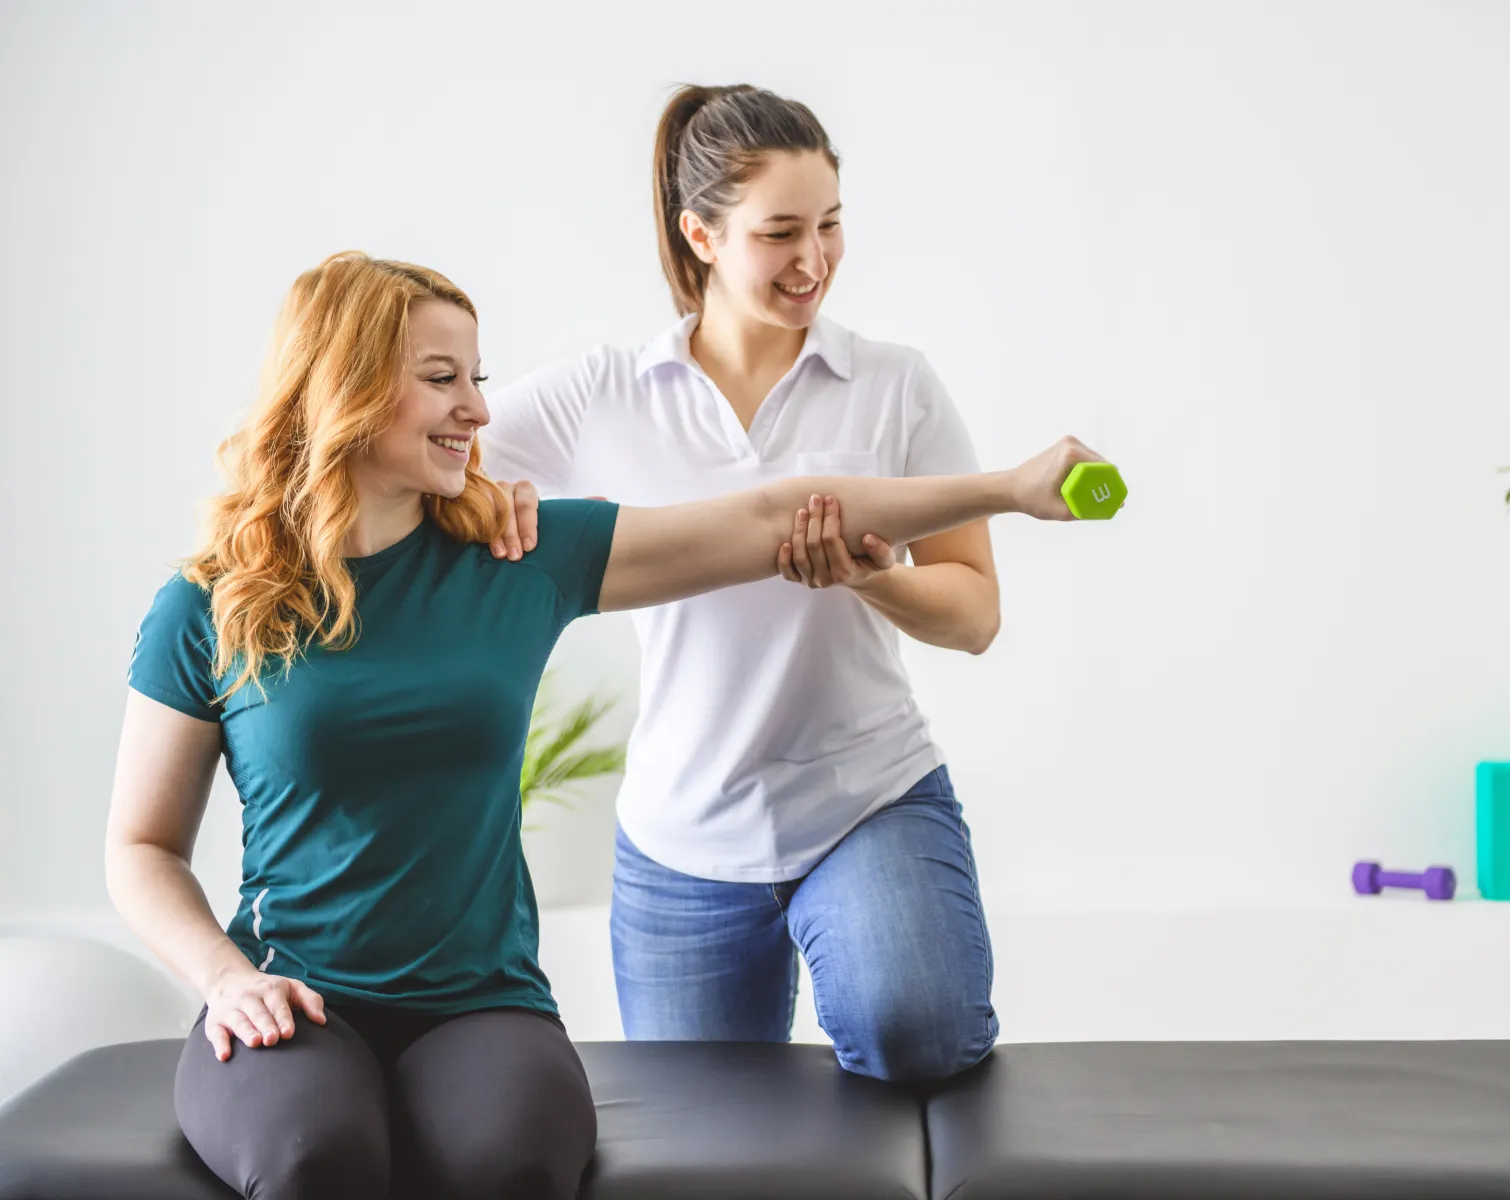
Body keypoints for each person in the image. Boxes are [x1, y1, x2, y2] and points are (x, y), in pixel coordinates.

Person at [104, 249, 1100, 1199]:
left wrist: (1006, 489)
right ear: (347, 388)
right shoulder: (213, 605)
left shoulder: (518, 558)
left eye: (477, 376)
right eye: (443, 378)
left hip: (479, 1002)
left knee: (513, 1165)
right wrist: (226, 981)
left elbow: (772, 516)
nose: (479, 409)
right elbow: (141, 849)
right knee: (317, 1158)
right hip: (293, 992)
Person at [482, 84, 1056, 1082]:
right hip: (680, 833)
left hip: (865, 799)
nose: (814, 261)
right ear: (699, 233)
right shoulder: (606, 395)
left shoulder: (892, 384)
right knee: (700, 1138)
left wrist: (873, 578)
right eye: (779, 233)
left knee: (913, 1032)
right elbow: (442, 455)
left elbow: (973, 614)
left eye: (831, 226)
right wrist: (489, 507)